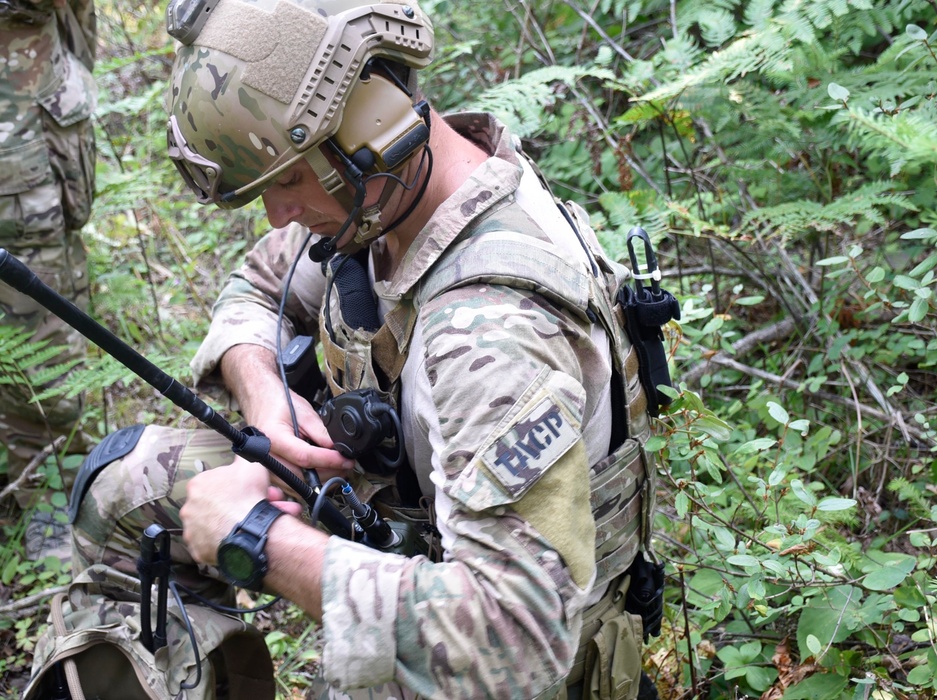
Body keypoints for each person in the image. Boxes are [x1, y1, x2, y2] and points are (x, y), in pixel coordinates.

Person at [70, 0, 662, 697]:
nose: (278, 215)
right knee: (122, 485)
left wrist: (259, 540)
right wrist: (264, 393)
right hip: (406, 520)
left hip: (506, 651)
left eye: (288, 178)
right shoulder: (392, 193)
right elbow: (258, 285)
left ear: (374, 121)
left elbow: (517, 637)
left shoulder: (490, 327)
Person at [0, 0, 97, 516]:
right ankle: (45, 506)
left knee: (41, 341)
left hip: (27, 141)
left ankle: (52, 504)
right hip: (20, 154)